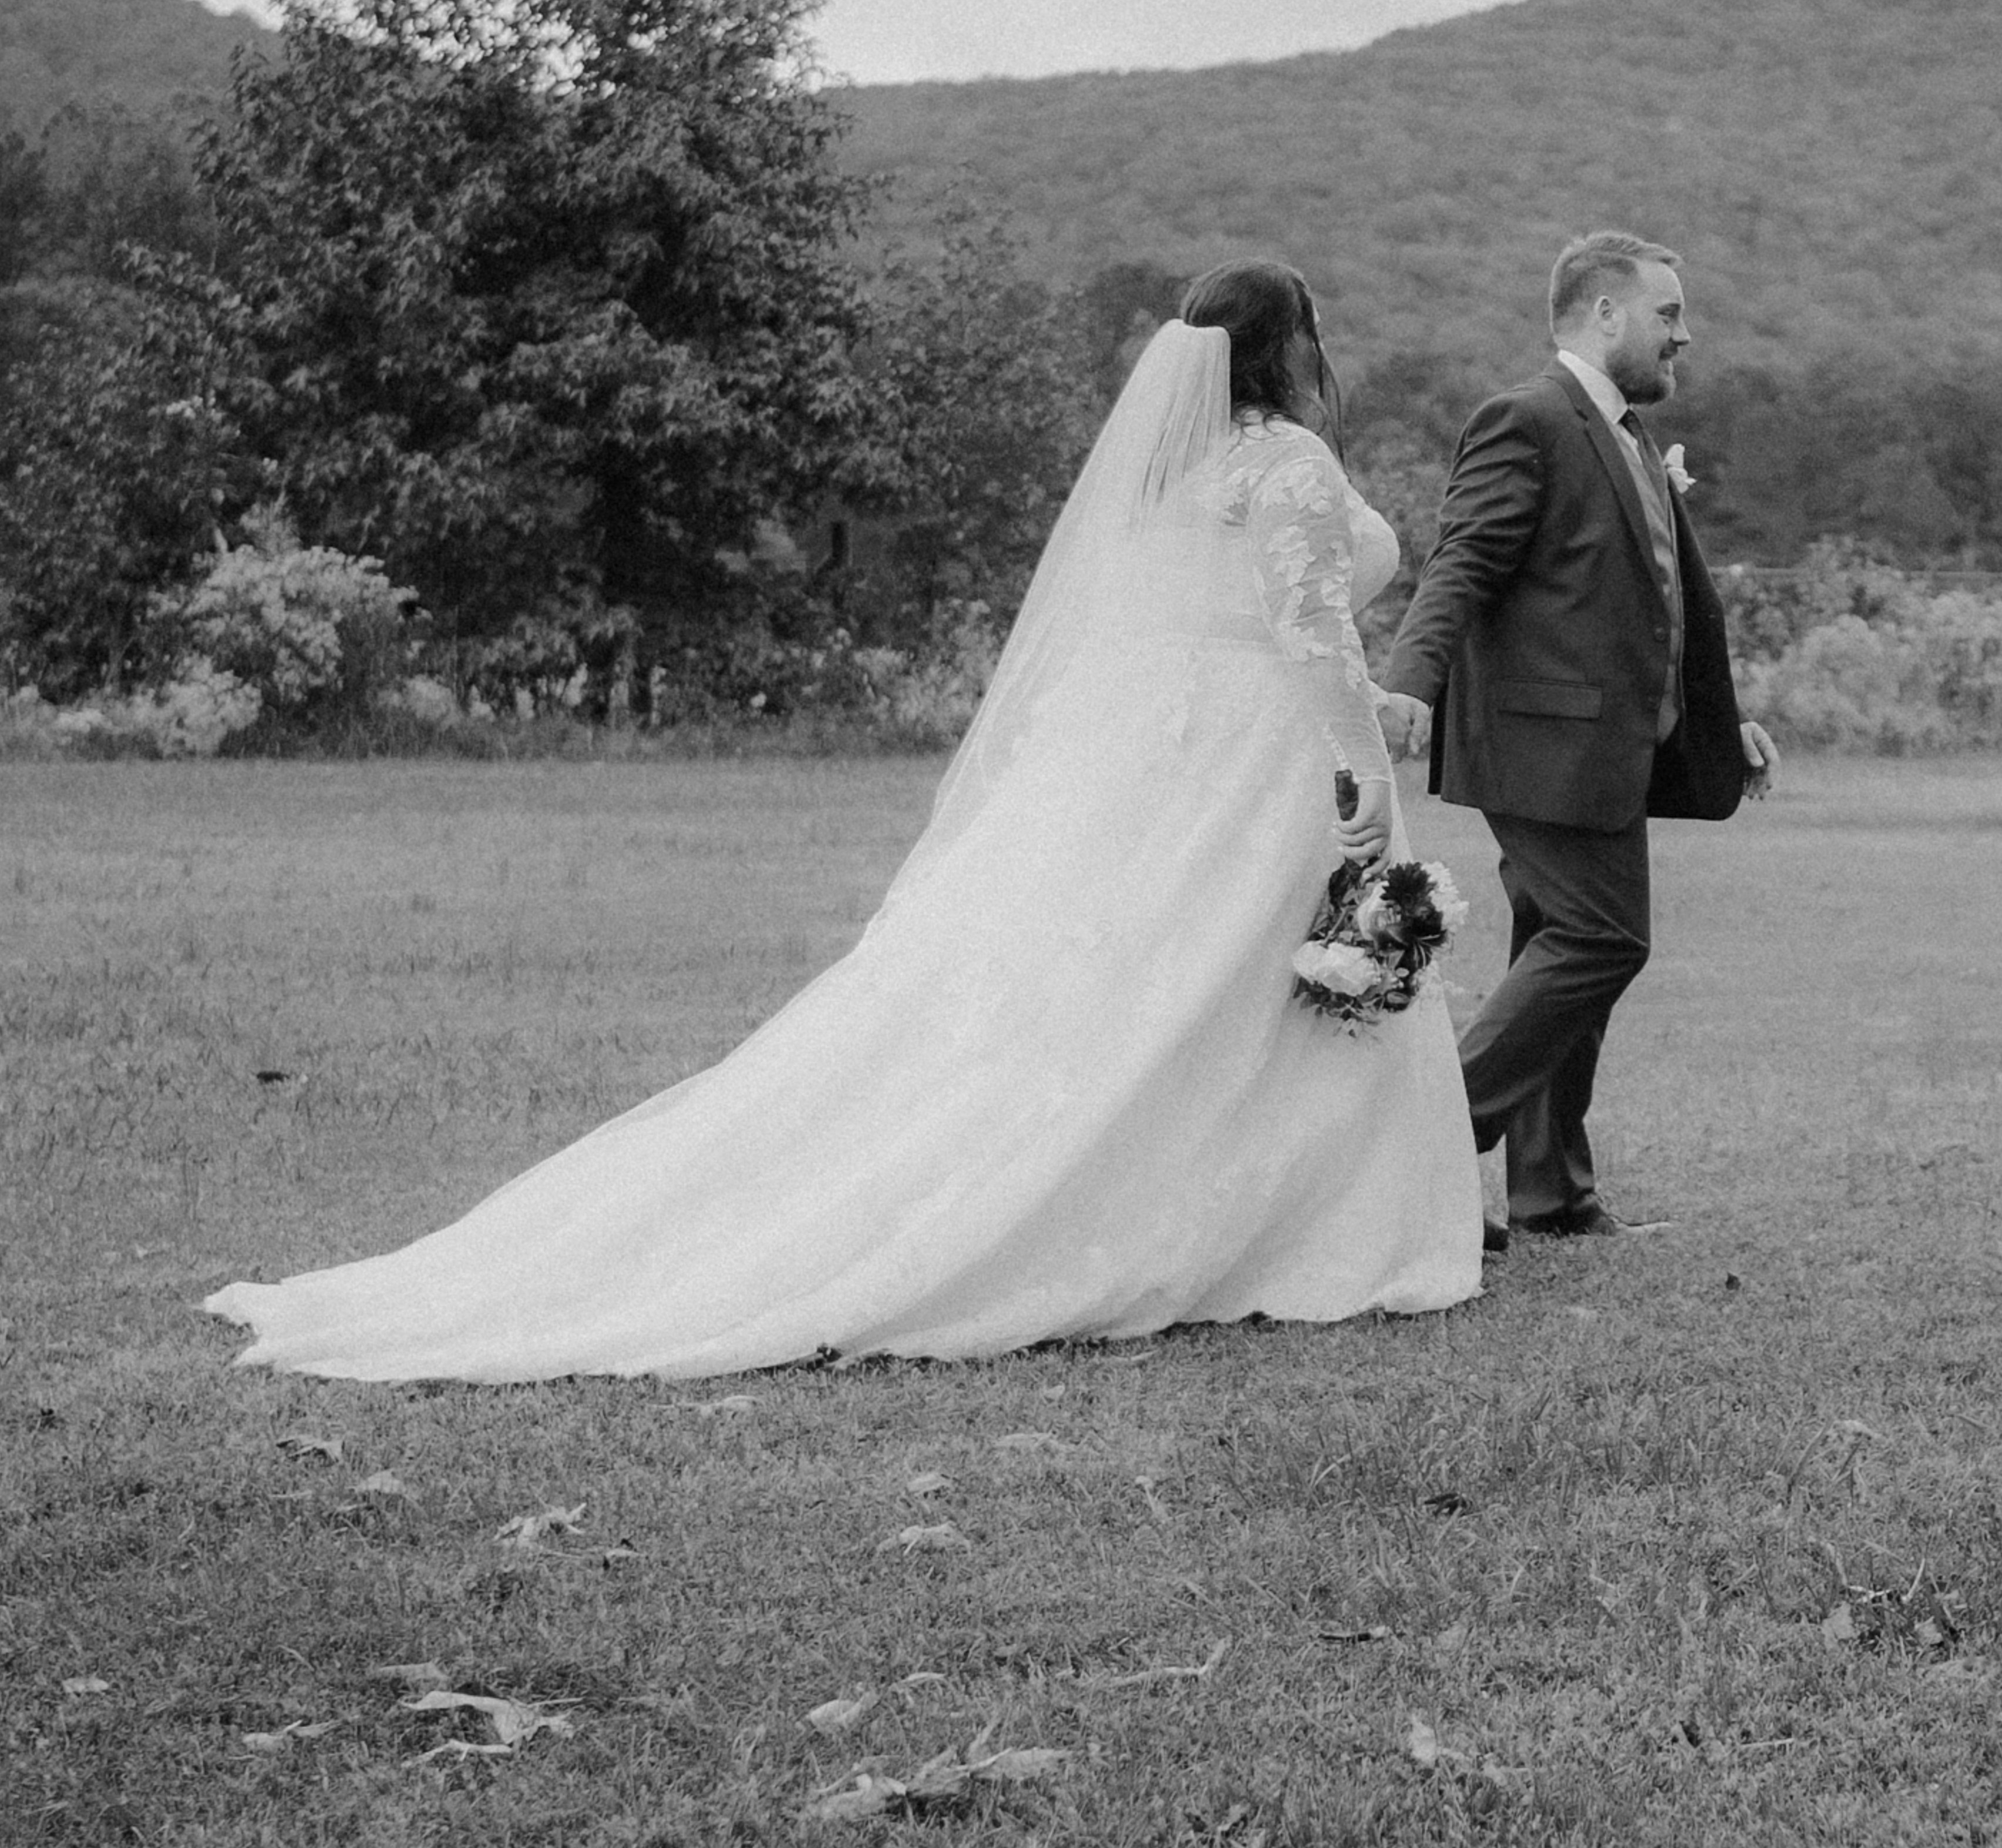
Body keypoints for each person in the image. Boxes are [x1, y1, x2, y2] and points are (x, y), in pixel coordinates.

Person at [203, 261, 1480, 1380]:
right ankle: (1270, 1220)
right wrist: (1361, 766)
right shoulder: (1287, 460)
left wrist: (1349, 699)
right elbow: (1304, 629)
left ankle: (1244, 1198)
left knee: (1156, 981)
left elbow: (1204, 628)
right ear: (1291, 347)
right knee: (1215, 981)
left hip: (1153, 750)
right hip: (1249, 762)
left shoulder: (1161, 468)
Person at [1378, 231, 1777, 1248]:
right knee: (1603, 940)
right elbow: (1461, 561)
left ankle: (1551, 1198)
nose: (1685, 334)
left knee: (1551, 945)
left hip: (1603, 752)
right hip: (1537, 745)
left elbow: (1646, 604)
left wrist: (1725, 726)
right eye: (1669, 314)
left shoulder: (1631, 434)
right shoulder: (1530, 419)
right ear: (1605, 316)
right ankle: (1404, 1154)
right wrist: (1410, 681)